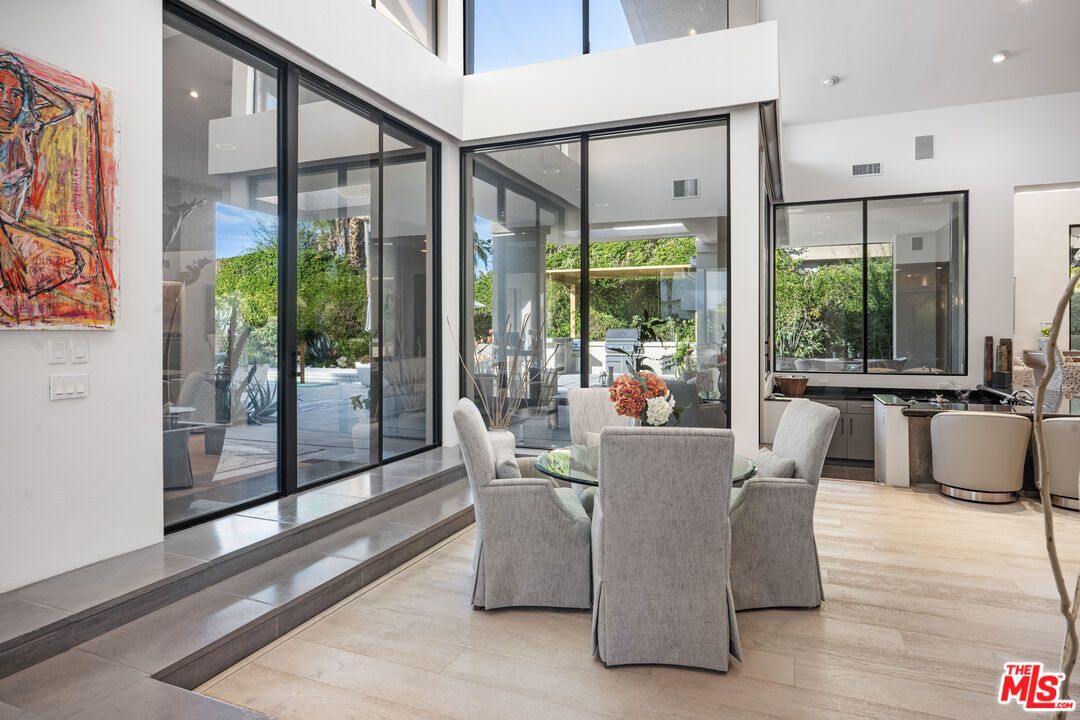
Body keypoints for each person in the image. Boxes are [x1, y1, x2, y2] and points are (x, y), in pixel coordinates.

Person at [0, 52, 93, 319]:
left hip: (12, 227)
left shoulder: (25, 130)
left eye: (16, 93)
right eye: (0, 89)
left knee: (72, 261)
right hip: (3, 232)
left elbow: (64, 106)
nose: (8, 99)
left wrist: (27, 79)